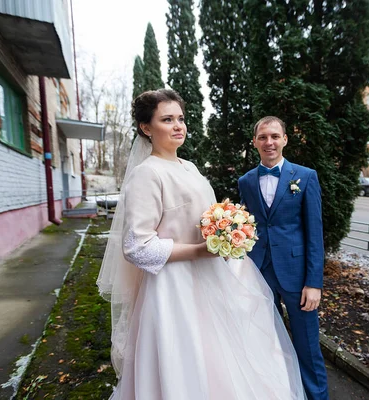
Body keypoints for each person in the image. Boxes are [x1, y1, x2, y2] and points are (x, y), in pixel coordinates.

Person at [97, 89, 306, 399]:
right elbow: (137, 247)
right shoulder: (147, 174)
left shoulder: (189, 167)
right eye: (167, 119)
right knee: (186, 363)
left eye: (180, 118)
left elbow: (202, 217)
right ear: (146, 127)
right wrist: (201, 250)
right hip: (173, 289)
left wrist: (229, 227)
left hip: (211, 279)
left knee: (223, 361)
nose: (178, 125)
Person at [238, 116, 329, 400]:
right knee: (268, 343)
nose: (269, 142)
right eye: (263, 137)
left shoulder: (305, 177)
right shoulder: (246, 182)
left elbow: (315, 234)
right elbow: (247, 227)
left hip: (297, 276)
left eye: (275, 136)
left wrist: (314, 283)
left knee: (307, 346)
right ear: (255, 142)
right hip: (259, 272)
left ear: (285, 140)